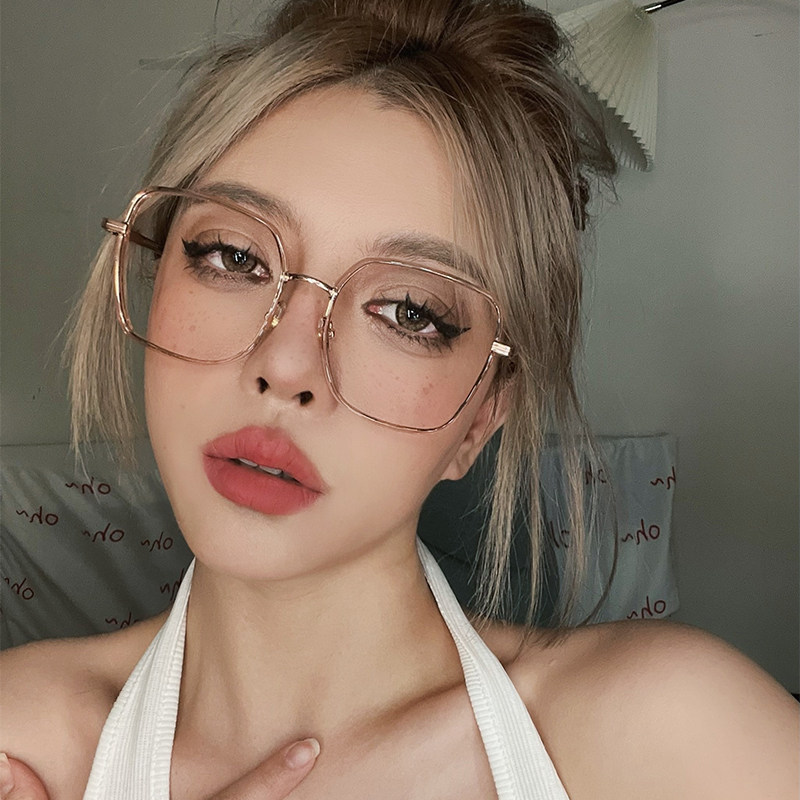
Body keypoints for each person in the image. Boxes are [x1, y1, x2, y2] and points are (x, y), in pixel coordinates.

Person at [1, 0, 797, 798]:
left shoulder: (672, 738)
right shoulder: (20, 744)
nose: (285, 364)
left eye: (410, 313)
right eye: (235, 256)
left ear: (481, 416)